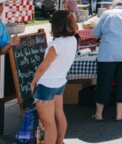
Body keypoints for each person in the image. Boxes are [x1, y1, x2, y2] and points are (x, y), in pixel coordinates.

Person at [30, 10, 77, 144]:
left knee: (49, 123)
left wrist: (33, 82)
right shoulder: (72, 40)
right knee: (59, 114)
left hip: (46, 85)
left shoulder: (56, 45)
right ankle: (60, 141)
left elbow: (43, 67)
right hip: (60, 82)